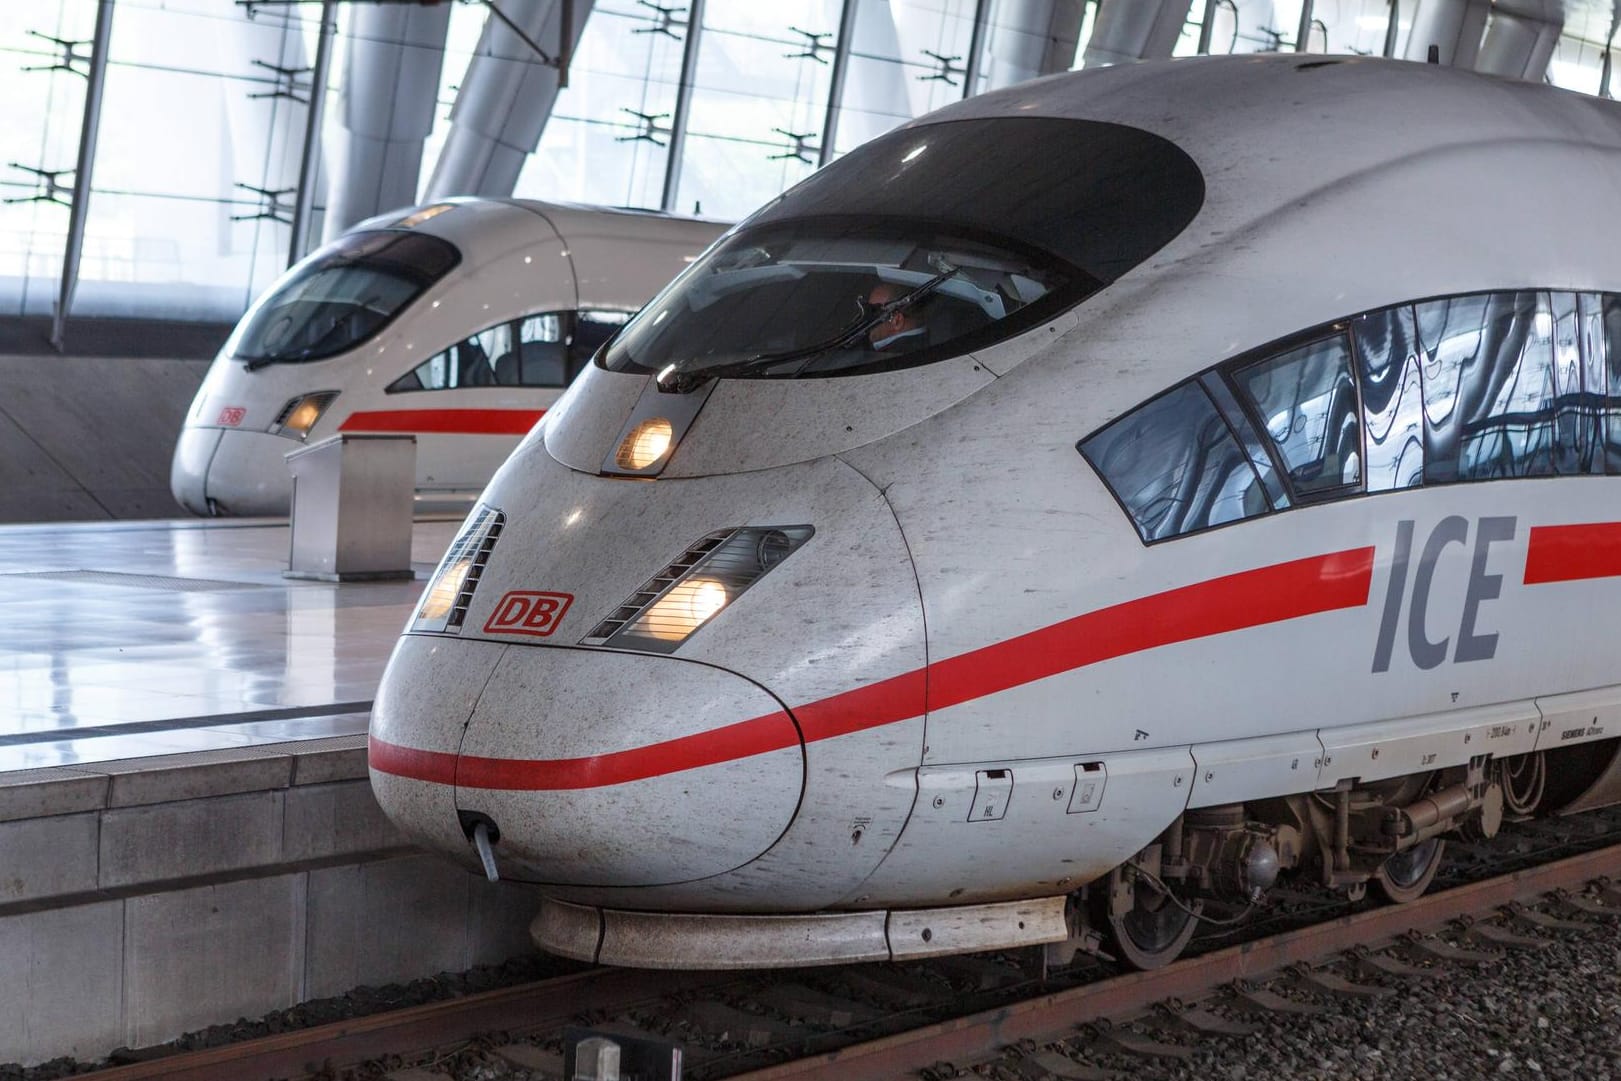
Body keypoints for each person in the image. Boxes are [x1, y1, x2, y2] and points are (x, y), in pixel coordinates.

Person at [865, 282, 929, 352]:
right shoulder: (932, 341)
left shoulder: (889, 357)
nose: (865, 318)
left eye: (872, 311)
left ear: (897, 320)